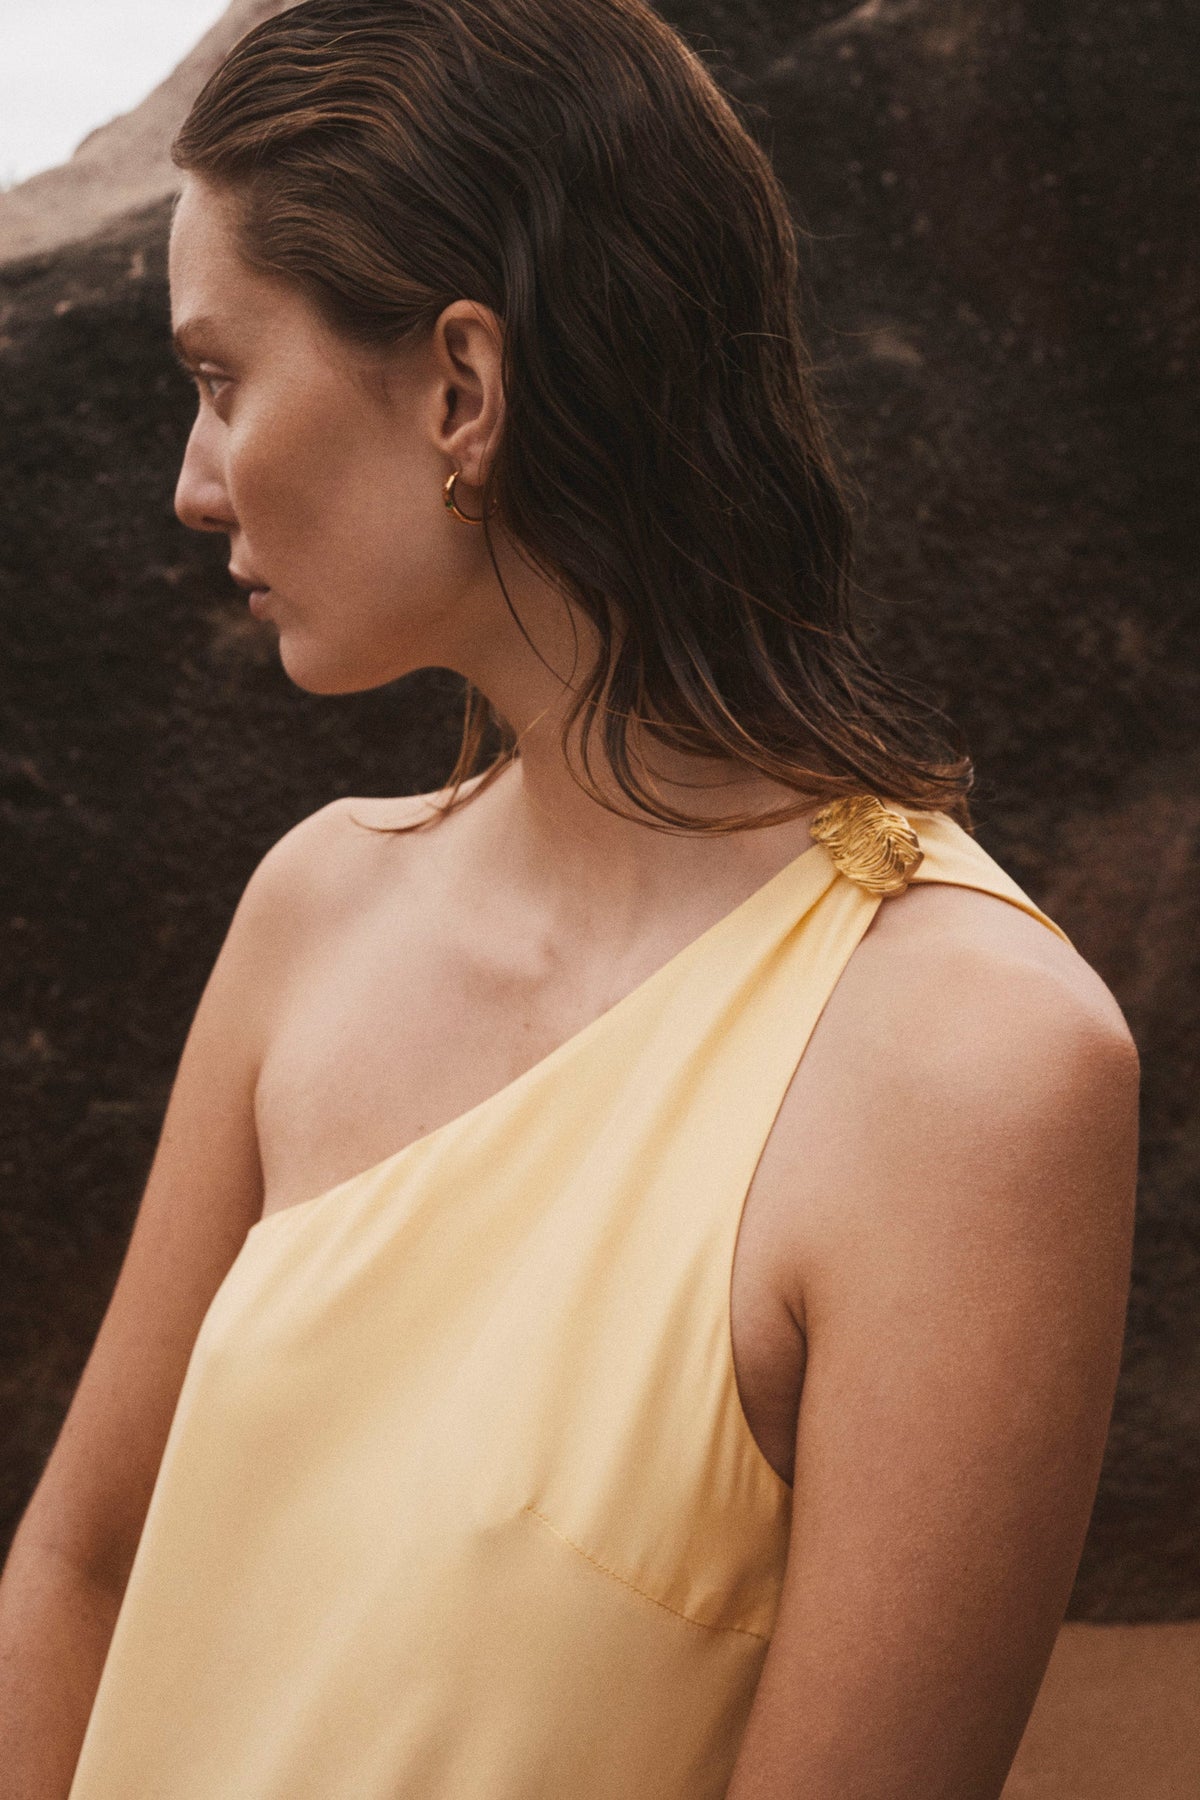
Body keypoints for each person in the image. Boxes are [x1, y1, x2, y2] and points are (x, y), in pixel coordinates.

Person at [0, 2, 1140, 1795]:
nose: (193, 484)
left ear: (462, 388)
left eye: (221, 380)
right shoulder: (316, 908)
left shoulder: (974, 1070)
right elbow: (79, 1567)